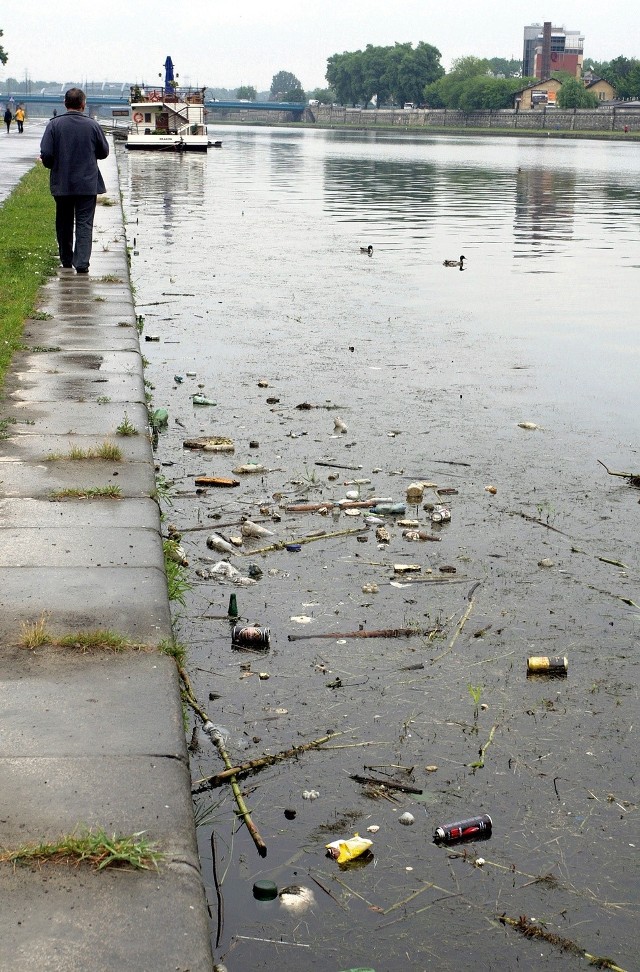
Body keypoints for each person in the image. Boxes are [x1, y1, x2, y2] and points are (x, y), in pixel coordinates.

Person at [40, 87, 110, 273]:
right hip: (87, 183)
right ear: (83, 104)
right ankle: (81, 263)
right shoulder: (93, 126)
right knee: (84, 222)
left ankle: (66, 259)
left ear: (65, 103)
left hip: (62, 182)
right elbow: (104, 152)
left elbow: (46, 153)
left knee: (63, 222)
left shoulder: (54, 125)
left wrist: (52, 165)